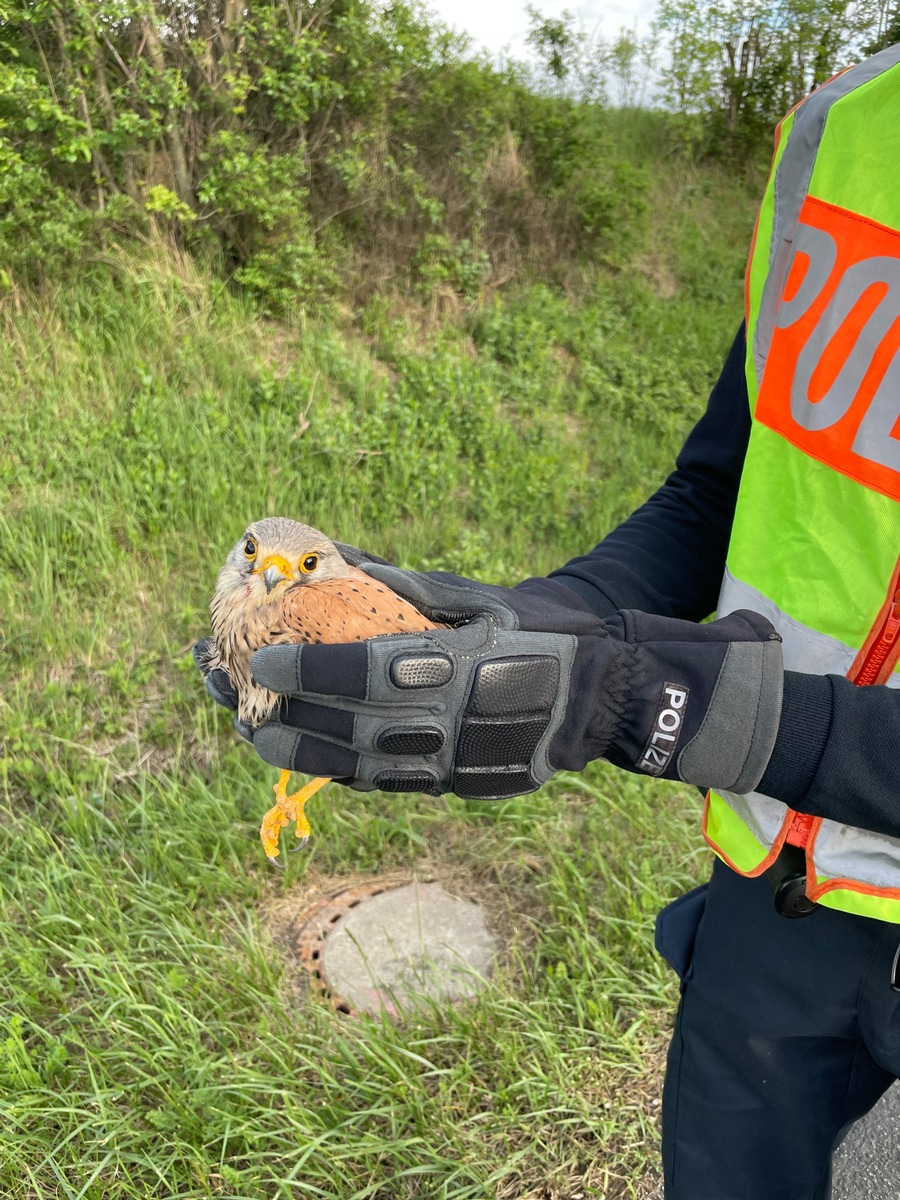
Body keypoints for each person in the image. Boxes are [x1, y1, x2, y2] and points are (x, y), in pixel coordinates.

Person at [196, 43, 900, 1199]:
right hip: (777, 895)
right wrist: (537, 624)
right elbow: (719, 490)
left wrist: (653, 699)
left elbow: (664, 691)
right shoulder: (846, 130)